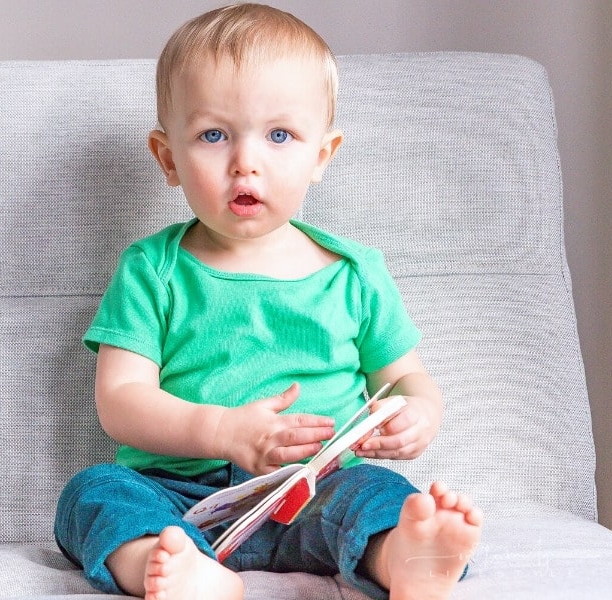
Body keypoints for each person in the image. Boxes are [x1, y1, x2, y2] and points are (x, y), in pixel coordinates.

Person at [54, 4, 482, 599]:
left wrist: (418, 415)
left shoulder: (353, 275)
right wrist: (221, 430)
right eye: (213, 135)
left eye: (279, 136)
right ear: (168, 158)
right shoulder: (152, 270)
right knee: (95, 494)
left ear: (321, 156)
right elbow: (120, 402)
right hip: (178, 496)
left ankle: (404, 558)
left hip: (316, 491)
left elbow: (406, 378)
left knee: (378, 494)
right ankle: (173, 565)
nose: (245, 163)